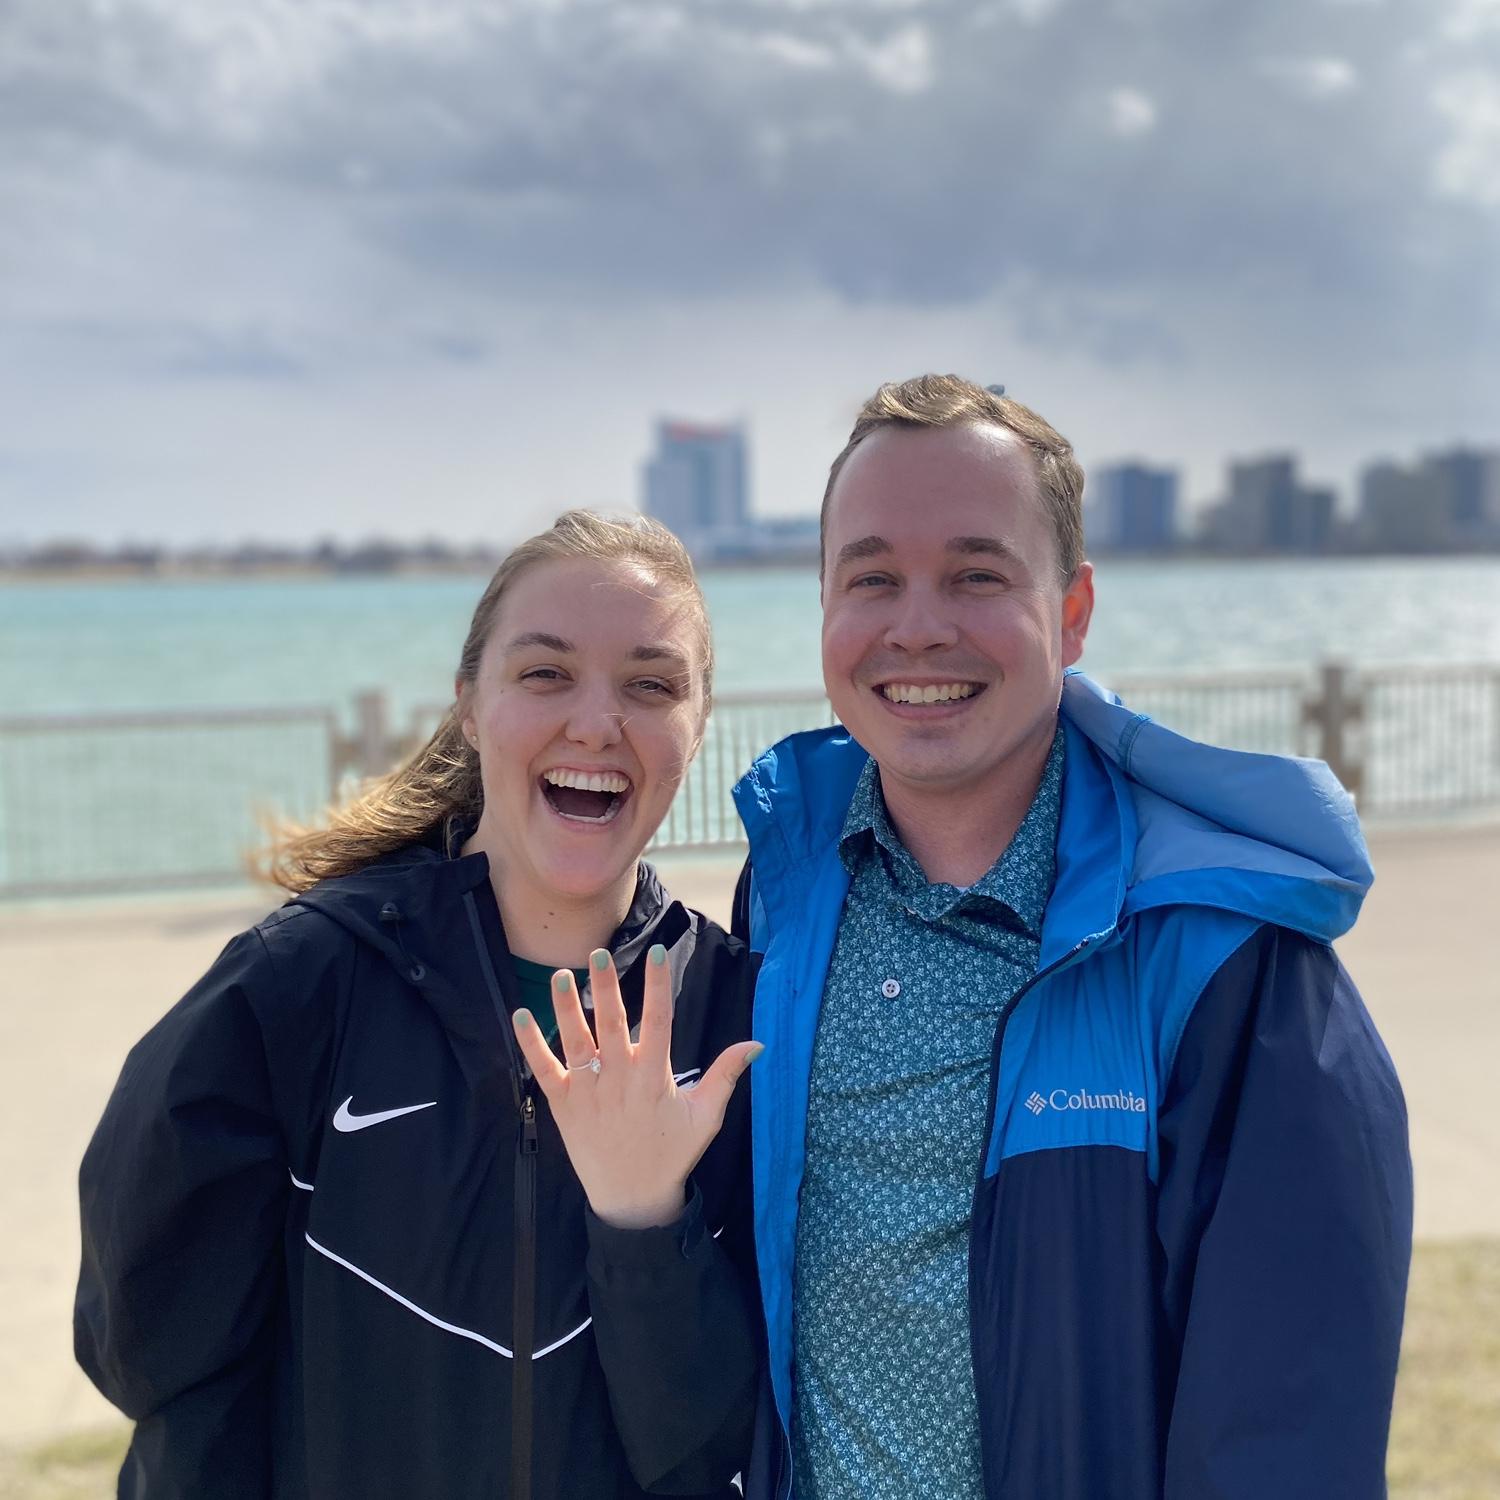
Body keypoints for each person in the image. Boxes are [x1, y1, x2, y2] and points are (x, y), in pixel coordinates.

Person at [728, 375, 1413, 1499]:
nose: (917, 625)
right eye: (872, 579)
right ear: (824, 608)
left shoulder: (1229, 962)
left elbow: (1287, 1444)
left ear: (1074, 610)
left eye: (976, 574)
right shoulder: (788, 890)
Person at [74, 510, 763, 1500]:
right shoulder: (299, 984)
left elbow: (709, 1452)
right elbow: (150, 1357)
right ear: (471, 706)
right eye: (545, 673)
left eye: (651, 685)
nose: (598, 721)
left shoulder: (733, 1020)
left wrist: (643, 1226)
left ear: (696, 728)